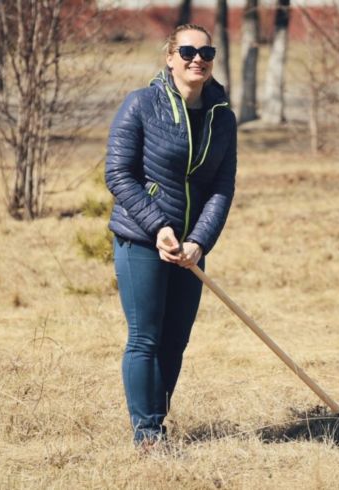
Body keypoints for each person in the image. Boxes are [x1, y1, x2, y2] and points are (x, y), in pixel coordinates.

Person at [105, 24, 237, 447]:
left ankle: (157, 422)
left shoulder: (222, 116)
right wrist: (158, 226)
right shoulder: (141, 104)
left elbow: (221, 186)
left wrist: (200, 241)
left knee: (175, 339)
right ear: (169, 57)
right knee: (146, 336)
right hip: (142, 238)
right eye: (187, 51)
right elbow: (119, 175)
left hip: (190, 247)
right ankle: (146, 435)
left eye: (206, 51)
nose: (197, 58)